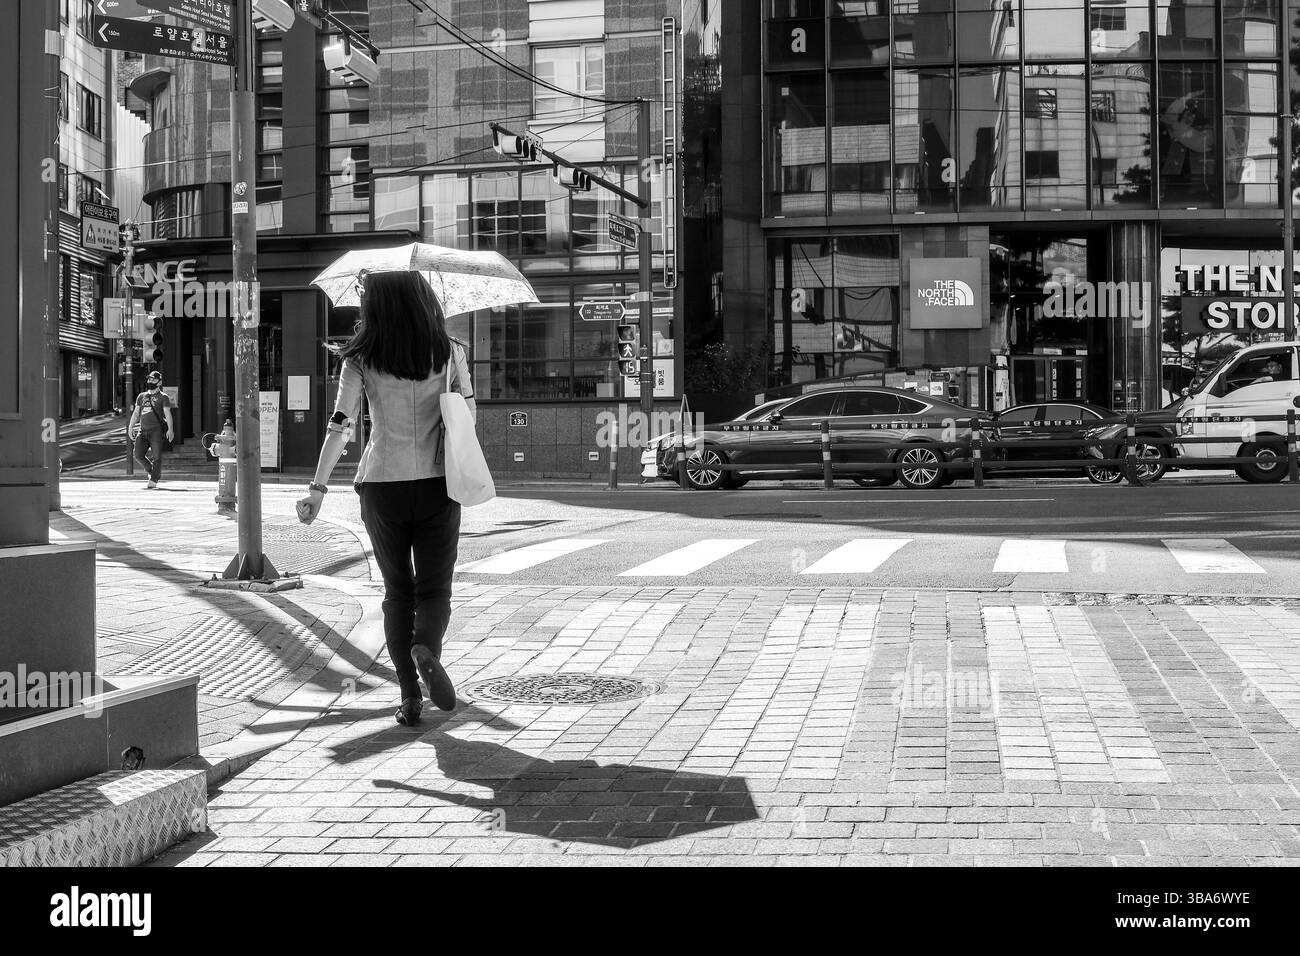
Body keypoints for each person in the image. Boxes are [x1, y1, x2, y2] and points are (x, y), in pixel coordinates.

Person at [297, 271, 474, 726]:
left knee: (398, 595)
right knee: (434, 589)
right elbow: (467, 416)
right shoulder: (449, 351)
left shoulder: (360, 357)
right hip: (437, 483)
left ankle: (409, 698)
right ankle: (425, 649)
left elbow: (341, 425)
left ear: (377, 302)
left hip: (381, 484)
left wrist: (317, 489)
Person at [128, 370, 174, 489]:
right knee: (137, 455)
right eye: (149, 379)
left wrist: (170, 430)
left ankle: (154, 479)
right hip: (142, 431)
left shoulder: (163, 397)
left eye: (153, 379)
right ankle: (151, 470)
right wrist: (130, 426)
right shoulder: (141, 396)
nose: (150, 381)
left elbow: (168, 414)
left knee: (157, 457)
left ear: (159, 382)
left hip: (156, 432)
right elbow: (136, 412)